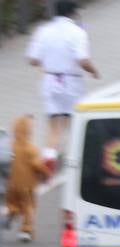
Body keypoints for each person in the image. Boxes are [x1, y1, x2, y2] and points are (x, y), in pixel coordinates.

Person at [24, 0, 99, 155]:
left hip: (50, 81)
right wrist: (94, 71)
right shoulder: (77, 32)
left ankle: (48, 163)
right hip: (71, 82)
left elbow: (33, 59)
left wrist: (51, 60)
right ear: (73, 13)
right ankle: (76, 159)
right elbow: (83, 60)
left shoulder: (43, 30)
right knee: (75, 125)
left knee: (53, 128)